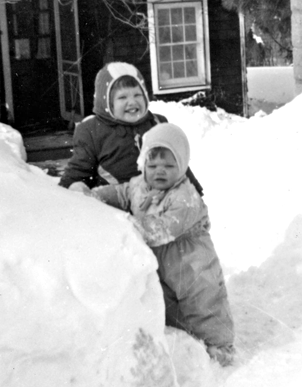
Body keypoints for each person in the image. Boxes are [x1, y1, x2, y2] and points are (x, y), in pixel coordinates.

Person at [91, 123, 235, 366]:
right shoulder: (139, 186)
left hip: (191, 261)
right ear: (142, 164)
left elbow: (164, 229)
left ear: (182, 167)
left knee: (204, 302)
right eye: (153, 165)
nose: (160, 171)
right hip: (162, 260)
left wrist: (131, 225)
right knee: (167, 302)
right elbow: (120, 193)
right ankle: (185, 335)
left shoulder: (185, 197)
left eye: (169, 166)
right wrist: (95, 195)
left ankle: (221, 346)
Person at [59, 62, 203, 196]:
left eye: (137, 95)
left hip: (161, 207)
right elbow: (77, 172)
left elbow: (178, 166)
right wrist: (73, 188)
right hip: (118, 212)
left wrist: (194, 192)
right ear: (107, 103)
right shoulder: (92, 131)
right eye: (122, 97)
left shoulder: (157, 123)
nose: (132, 102)